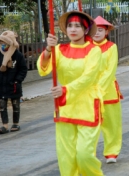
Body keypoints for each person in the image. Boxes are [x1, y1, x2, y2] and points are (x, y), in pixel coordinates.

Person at [37, 11, 104, 176]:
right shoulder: (59, 49)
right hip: (65, 106)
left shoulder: (94, 51)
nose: (73, 29)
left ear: (86, 29)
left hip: (88, 105)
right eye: (69, 26)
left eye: (77, 26)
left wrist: (65, 90)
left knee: (84, 155)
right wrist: (48, 49)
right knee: (66, 155)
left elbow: (89, 77)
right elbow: (43, 69)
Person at [92, 17, 123, 163]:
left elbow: (110, 71)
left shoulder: (111, 47)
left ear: (106, 32)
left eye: (100, 30)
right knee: (90, 125)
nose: (97, 33)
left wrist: (99, 88)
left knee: (111, 123)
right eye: (94, 30)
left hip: (108, 90)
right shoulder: (86, 47)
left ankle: (112, 152)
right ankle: (89, 154)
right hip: (89, 91)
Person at [0, 31, 27, 134]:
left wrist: (17, 80)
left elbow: (23, 69)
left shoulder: (18, 55)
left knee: (16, 104)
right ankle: (4, 125)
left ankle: (16, 123)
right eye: (1, 43)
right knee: (2, 106)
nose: (3, 45)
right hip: (1, 85)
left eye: (5, 43)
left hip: (14, 85)